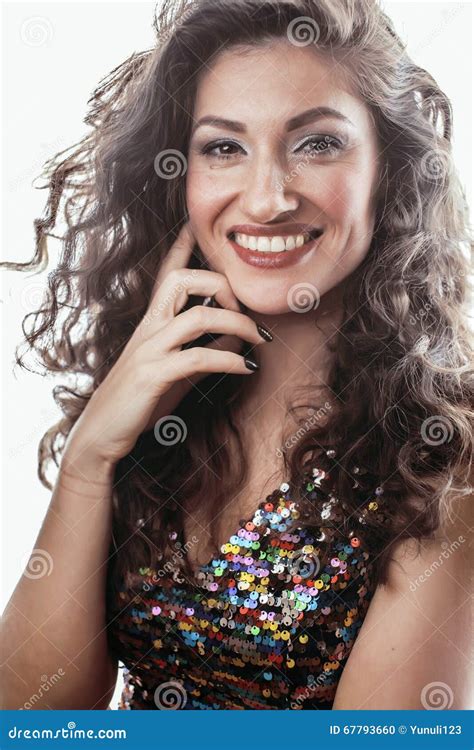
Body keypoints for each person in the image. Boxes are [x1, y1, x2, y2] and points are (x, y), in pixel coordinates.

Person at [1, 0, 472, 711]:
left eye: (317, 144)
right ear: (179, 176)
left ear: (391, 170)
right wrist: (89, 459)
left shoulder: (444, 456)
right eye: (223, 147)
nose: (267, 198)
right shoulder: (156, 404)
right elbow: (31, 720)